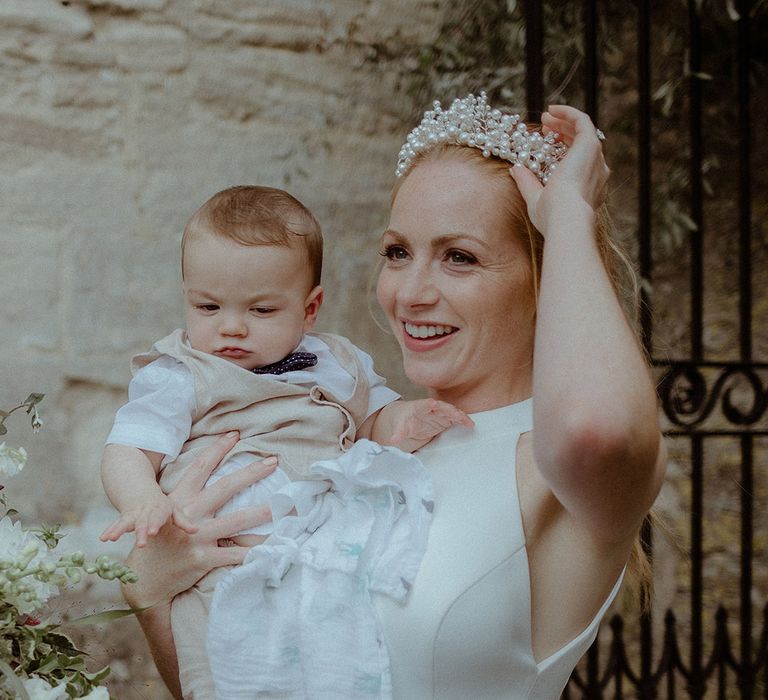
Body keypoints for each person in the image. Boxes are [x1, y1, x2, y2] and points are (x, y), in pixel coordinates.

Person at [121, 95, 666, 699]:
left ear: (545, 277)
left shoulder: (556, 469)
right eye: (398, 253)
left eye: (460, 258)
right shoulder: (353, 445)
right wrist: (150, 592)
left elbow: (600, 430)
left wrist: (568, 215)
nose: (410, 293)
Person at [101, 184, 471, 698]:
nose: (231, 328)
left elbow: (374, 421)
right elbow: (128, 448)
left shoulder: (341, 364)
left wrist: (409, 418)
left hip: (317, 552)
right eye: (207, 307)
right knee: (218, 665)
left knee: (330, 658)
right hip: (213, 556)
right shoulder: (180, 374)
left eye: (261, 311)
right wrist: (142, 497)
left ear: (310, 307)